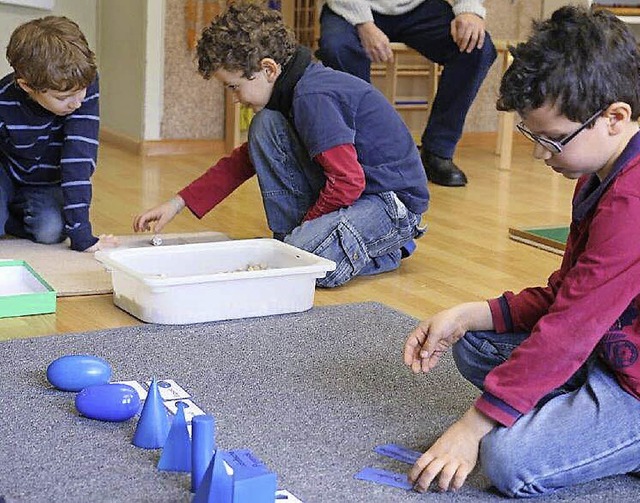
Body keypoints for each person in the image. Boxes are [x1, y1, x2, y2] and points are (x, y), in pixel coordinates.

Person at [403, 6, 640, 496]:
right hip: (612, 345)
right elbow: (567, 295)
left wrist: (473, 426)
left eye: (553, 140)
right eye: (534, 136)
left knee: (508, 460)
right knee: (475, 344)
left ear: (615, 118)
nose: (540, 155)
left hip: (630, 379)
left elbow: (572, 328)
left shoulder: (632, 201)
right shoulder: (600, 171)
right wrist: (472, 312)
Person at [133, 1, 429, 288]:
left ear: (269, 69)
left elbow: (347, 181)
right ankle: (303, 240)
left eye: (235, 87)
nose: (237, 99)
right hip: (358, 195)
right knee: (264, 126)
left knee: (300, 268)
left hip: (389, 205)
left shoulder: (313, 97)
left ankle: (386, 249)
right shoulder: (287, 97)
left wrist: (307, 230)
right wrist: (177, 203)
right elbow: (242, 162)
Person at [317, 0, 497, 187]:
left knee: (477, 48)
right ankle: (360, 155)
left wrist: (469, 10)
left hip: (418, 8)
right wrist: (364, 23)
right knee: (338, 48)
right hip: (349, 7)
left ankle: (437, 150)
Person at [0, 16, 117, 252]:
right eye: (62, 98)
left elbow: (78, 160)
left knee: (51, 230)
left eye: (82, 91)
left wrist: (82, 236)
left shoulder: (82, 86)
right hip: (7, 175)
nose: (77, 102)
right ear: (26, 87)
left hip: (46, 183)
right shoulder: (3, 99)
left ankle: (11, 216)